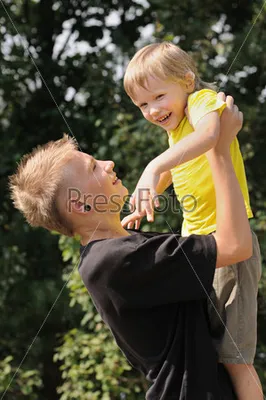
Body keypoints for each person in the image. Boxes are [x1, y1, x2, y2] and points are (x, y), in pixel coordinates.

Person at [9, 96, 252, 399]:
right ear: (81, 204)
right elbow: (236, 245)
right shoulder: (116, 261)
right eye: (93, 168)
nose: (108, 163)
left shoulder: (120, 250)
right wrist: (219, 149)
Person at [122, 42, 262, 399]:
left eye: (157, 96)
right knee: (208, 352)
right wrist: (147, 195)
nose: (152, 110)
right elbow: (181, 160)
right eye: (142, 105)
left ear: (186, 80)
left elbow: (209, 137)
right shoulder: (177, 127)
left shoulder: (201, 103)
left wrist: (154, 167)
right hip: (202, 248)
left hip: (229, 243)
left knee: (236, 359)